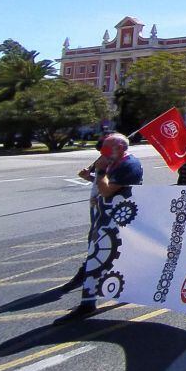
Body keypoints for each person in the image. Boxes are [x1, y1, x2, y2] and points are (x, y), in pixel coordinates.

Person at [55, 133, 144, 323]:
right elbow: (105, 185)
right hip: (104, 218)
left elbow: (106, 190)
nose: (102, 154)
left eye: (106, 149)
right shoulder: (115, 163)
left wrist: (101, 171)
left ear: (120, 148)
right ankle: (98, 296)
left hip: (114, 222)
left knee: (96, 259)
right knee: (106, 258)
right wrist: (92, 176)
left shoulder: (130, 165)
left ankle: (87, 304)